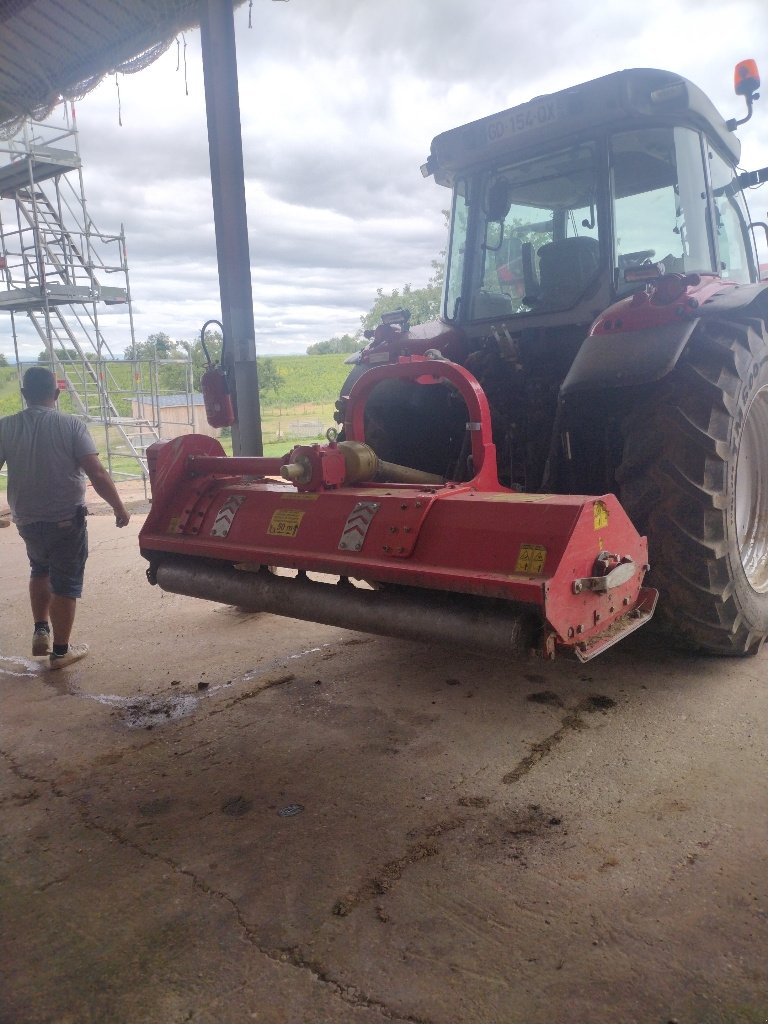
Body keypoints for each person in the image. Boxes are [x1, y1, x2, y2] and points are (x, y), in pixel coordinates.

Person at [0, 367, 130, 669]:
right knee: (66, 584)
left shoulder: (6, 427)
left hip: (27, 520)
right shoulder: (71, 425)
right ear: (56, 394)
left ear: (23, 394)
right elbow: (96, 473)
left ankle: (40, 630)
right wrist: (119, 508)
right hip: (65, 520)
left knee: (39, 569)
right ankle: (60, 652)